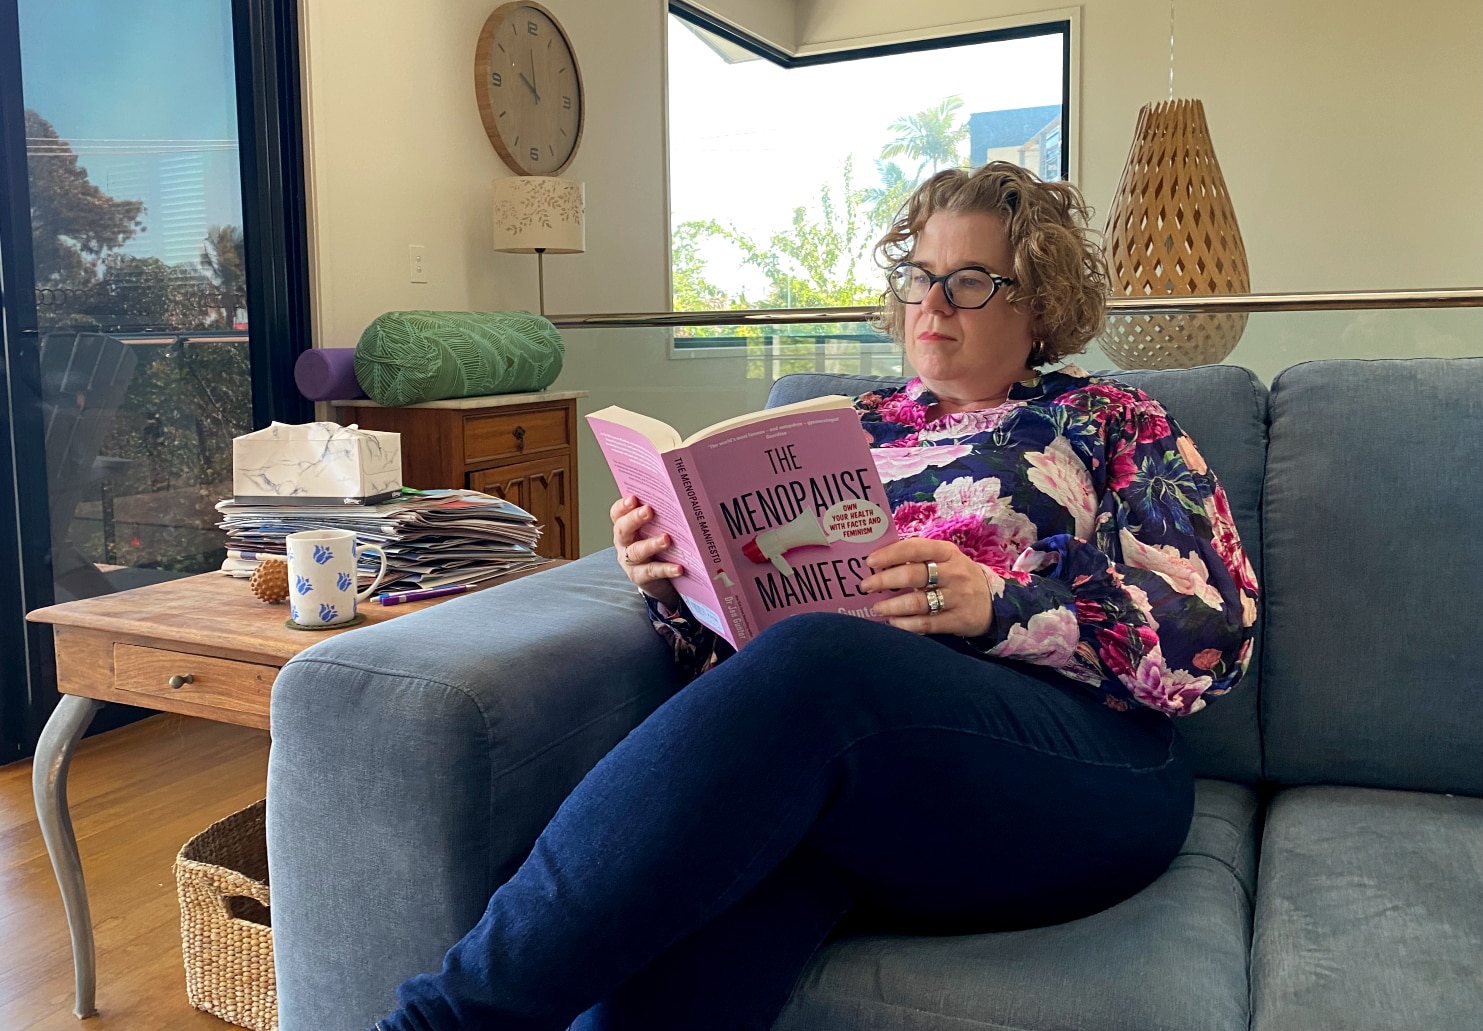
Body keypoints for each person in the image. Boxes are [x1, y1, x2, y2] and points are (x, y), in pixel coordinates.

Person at [370, 161, 1259, 1031]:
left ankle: (446, 1020)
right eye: (918, 275)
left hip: (1081, 768)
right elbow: (736, 673)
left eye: (970, 281)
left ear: (1038, 300)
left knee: (816, 663)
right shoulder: (845, 426)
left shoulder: (1110, 420)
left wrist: (999, 600)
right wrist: (674, 578)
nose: (932, 303)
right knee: (694, 898)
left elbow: (1211, 634)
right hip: (862, 776)